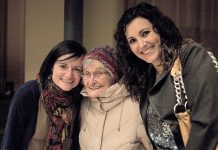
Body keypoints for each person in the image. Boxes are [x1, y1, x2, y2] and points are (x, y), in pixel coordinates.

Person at [114, 2, 218, 150]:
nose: (141, 44)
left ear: (160, 29)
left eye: (145, 33)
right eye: (132, 40)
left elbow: (206, 121)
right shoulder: (147, 74)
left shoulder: (190, 56)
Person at [1, 40, 86, 150]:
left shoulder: (79, 100)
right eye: (63, 66)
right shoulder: (28, 94)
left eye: (77, 69)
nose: (69, 75)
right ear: (51, 66)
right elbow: (10, 143)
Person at [79, 45, 153, 150]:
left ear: (114, 76)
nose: (91, 81)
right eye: (87, 74)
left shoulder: (137, 105)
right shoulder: (84, 103)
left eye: (99, 73)